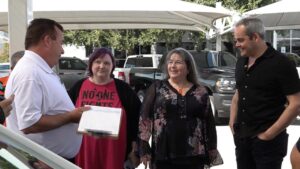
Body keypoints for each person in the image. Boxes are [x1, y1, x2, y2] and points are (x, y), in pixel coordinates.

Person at [5, 18, 90, 162]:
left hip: (49, 160)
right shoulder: (30, 73)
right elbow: (29, 124)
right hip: (42, 162)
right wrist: (70, 117)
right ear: (47, 41)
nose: (62, 50)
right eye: (61, 43)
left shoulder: (38, 69)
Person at [230, 17, 300, 169]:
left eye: (240, 40)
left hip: (269, 143)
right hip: (242, 139)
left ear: (255, 37)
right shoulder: (241, 61)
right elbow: (238, 94)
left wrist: (269, 135)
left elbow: (295, 104)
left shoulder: (282, 64)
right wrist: (232, 123)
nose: (237, 45)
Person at [138, 47, 222, 169]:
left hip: (194, 155)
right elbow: (144, 119)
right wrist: (143, 147)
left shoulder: (201, 91)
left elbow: (208, 123)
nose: (173, 66)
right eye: (170, 62)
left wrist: (212, 148)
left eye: (178, 62)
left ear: (188, 68)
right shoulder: (157, 88)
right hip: (164, 154)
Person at [68, 47, 142, 169]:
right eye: (97, 62)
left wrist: (134, 147)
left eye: (107, 63)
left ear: (112, 66)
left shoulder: (123, 89)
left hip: (114, 153)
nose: (102, 66)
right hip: (84, 151)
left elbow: (137, 117)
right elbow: (67, 114)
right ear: (91, 64)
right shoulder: (79, 86)